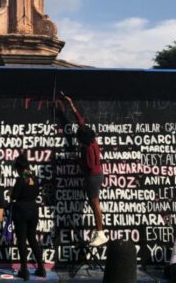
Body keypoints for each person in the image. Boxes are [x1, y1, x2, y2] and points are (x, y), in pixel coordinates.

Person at [61, 93, 107, 246]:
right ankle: (99, 232)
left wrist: (76, 159)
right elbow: (80, 121)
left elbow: (89, 166)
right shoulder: (91, 139)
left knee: (95, 205)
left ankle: (101, 233)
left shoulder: (87, 149)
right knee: (95, 204)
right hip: (97, 175)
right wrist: (71, 104)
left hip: (93, 177)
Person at [10, 154, 45, 281]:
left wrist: (11, 193)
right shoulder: (34, 179)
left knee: (21, 240)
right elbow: (36, 193)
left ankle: (24, 270)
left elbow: (14, 196)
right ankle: (41, 268)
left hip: (21, 211)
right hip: (33, 210)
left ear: (19, 168)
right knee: (32, 238)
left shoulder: (20, 180)